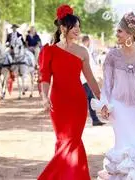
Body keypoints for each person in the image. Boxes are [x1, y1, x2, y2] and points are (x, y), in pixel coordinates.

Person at [93, 12, 135, 180]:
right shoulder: (112, 56)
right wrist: (105, 104)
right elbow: (107, 84)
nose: (117, 35)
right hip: (119, 107)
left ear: (131, 34)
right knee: (122, 145)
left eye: (119, 31)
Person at [38, 4, 100, 180]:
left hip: (78, 102)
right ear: (63, 27)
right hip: (58, 103)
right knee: (64, 141)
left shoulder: (82, 51)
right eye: (74, 27)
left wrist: (102, 99)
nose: (78, 30)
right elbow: (44, 77)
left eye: (79, 27)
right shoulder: (48, 51)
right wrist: (44, 97)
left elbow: (90, 79)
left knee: (72, 141)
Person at [80, 35, 106, 126]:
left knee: (90, 99)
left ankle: (95, 119)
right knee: (86, 99)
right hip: (85, 79)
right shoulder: (84, 50)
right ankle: (92, 119)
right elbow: (90, 65)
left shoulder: (82, 49)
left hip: (85, 78)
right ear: (87, 41)